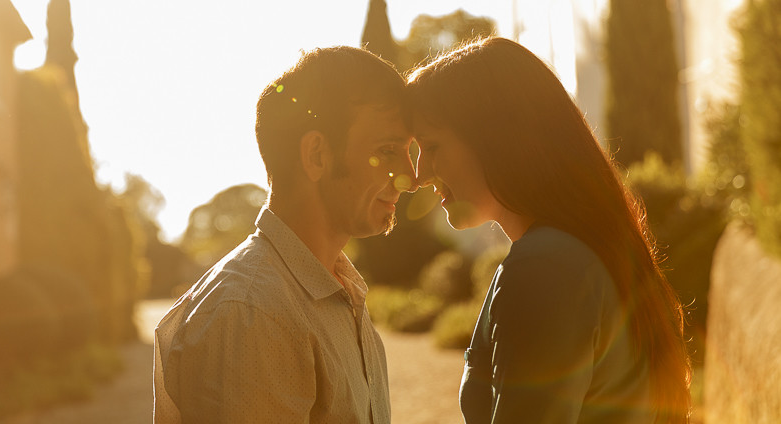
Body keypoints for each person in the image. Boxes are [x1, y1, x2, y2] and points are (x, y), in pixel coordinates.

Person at [406, 36, 690, 423]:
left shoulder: (544, 268)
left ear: (495, 140)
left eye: (432, 146)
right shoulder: (575, 251)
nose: (419, 173)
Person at [154, 46, 416, 424]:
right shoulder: (252, 314)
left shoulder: (336, 292)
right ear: (317, 155)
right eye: (388, 150)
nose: (411, 177)